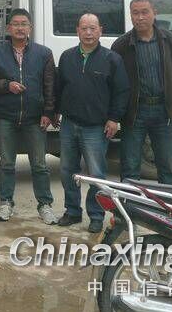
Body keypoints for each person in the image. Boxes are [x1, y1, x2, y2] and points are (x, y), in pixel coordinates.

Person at [55, 13, 130, 233]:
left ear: (100, 31)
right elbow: (59, 87)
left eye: (93, 28)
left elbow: (121, 91)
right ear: (77, 31)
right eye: (84, 28)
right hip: (69, 124)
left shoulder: (112, 59)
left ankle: (96, 215)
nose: (88, 33)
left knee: (96, 175)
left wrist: (114, 118)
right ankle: (72, 211)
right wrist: (55, 111)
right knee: (67, 170)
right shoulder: (67, 57)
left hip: (96, 128)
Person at [0, 8, 59, 224]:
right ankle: (6, 202)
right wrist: (7, 85)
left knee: (39, 164)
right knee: (7, 163)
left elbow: (50, 86)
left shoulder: (43, 53)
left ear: (30, 28)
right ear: (8, 28)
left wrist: (48, 112)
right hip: (6, 116)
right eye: (15, 24)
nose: (19, 28)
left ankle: (45, 205)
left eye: (23, 24)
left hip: (35, 117)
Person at [112, 0, 172, 185]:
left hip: (164, 112)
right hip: (135, 113)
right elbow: (117, 83)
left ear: (154, 13)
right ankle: (129, 203)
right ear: (130, 16)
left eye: (145, 12)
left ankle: (167, 203)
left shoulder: (169, 40)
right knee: (130, 167)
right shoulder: (121, 45)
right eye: (135, 13)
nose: (140, 17)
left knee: (168, 167)